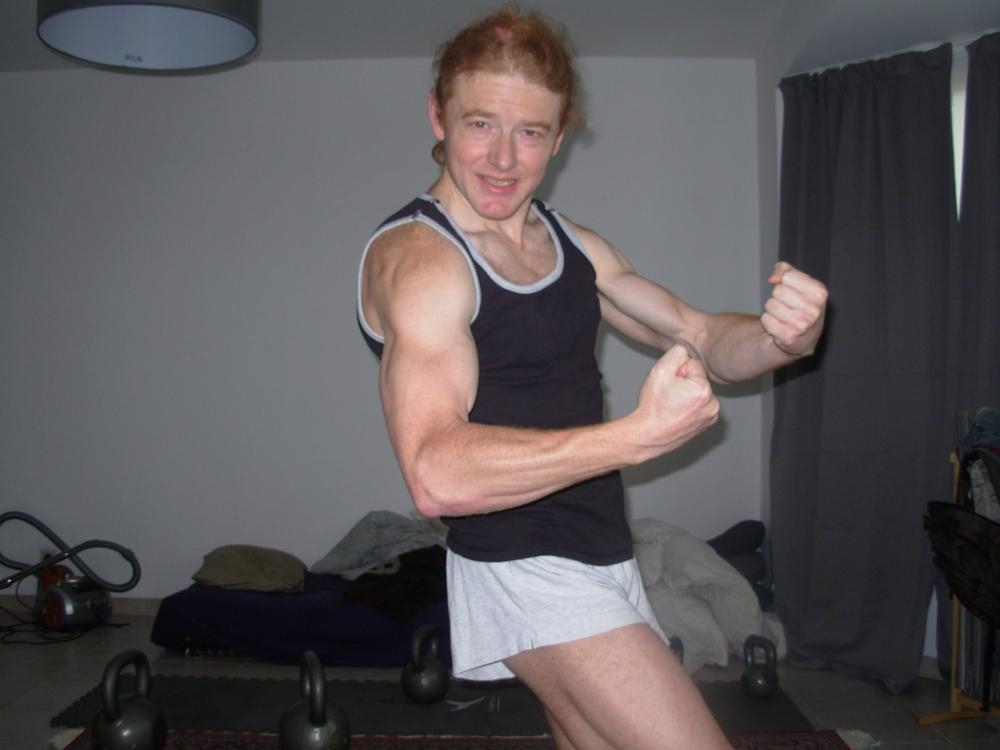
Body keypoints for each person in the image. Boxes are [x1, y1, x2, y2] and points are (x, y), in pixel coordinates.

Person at [357, 5, 827, 749]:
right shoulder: (422, 260)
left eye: (530, 132)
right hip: (522, 560)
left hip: (601, 548)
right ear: (438, 116)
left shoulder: (570, 244)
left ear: (559, 137)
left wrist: (780, 339)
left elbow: (701, 334)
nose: (503, 158)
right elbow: (435, 474)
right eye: (480, 124)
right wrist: (636, 438)